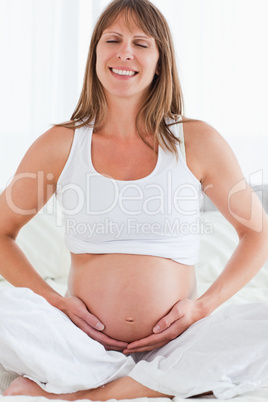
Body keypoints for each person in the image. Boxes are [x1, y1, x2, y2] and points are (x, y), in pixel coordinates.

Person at [0, 0, 268, 400]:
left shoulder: (196, 141)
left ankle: (92, 393)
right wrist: (54, 302)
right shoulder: (61, 144)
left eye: (141, 43)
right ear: (95, 55)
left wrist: (203, 308)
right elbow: (2, 231)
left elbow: (256, 232)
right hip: (80, 344)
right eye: (113, 39)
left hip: (180, 345)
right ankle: (143, 386)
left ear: (160, 62)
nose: (125, 51)